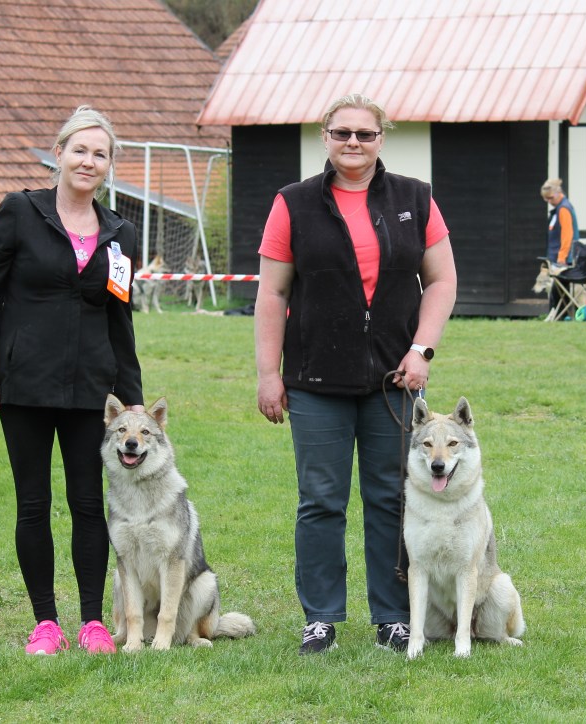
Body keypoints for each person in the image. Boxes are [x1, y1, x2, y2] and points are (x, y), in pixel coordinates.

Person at [254, 93, 457, 655]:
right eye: (342, 133)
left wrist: (422, 350)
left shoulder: (415, 198)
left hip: (395, 382)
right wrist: (268, 374)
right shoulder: (292, 203)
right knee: (320, 500)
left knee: (392, 497)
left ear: (381, 139)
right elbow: (272, 292)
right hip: (315, 380)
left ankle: (392, 616)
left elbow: (441, 281)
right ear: (325, 137)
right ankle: (320, 618)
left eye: (365, 135)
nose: (353, 143)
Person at [0, 106, 144, 656]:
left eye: (100, 154)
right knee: (33, 503)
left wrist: (132, 400)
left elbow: (120, 318)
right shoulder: (20, 212)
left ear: (109, 166)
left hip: (93, 388)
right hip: (25, 384)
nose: (88, 161)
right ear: (60, 154)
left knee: (91, 503)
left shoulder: (121, 232)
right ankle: (45, 622)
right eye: (80, 150)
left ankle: (92, 621)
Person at [541, 178, 579, 267]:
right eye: (547, 200)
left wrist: (562, 257)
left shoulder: (563, 209)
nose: (550, 202)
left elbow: (567, 234)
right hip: (556, 258)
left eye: (551, 198)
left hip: (562, 260)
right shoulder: (559, 209)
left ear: (558, 193)